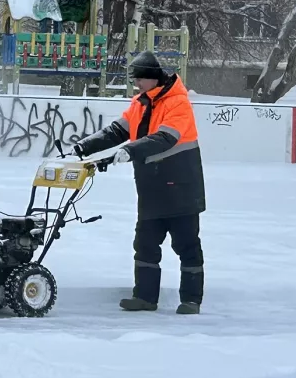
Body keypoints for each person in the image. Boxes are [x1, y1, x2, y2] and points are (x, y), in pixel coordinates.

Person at [75, 51, 206, 314]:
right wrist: (83, 147)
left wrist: (129, 151)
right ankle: (145, 298)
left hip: (181, 188)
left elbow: (164, 138)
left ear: (152, 78)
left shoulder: (178, 102)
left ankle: (191, 300)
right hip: (151, 189)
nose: (136, 84)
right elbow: (117, 131)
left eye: (139, 80)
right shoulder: (140, 103)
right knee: (145, 244)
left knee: (186, 245)